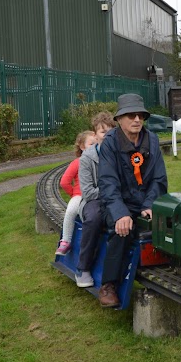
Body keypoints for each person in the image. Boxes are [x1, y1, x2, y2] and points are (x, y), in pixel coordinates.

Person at [96, 94, 168, 307]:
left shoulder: (152, 140)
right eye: (130, 115)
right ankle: (108, 285)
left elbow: (159, 178)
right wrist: (120, 213)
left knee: (170, 224)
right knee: (122, 231)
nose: (137, 119)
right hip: (117, 202)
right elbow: (108, 182)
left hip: (145, 201)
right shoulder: (109, 143)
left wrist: (149, 205)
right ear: (119, 119)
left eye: (140, 115)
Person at [74, 112, 116, 287]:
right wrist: (110, 191)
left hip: (116, 198)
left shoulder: (120, 154)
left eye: (110, 132)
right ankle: (83, 268)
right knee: (94, 218)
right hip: (95, 200)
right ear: (95, 134)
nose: (107, 136)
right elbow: (88, 192)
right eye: (102, 132)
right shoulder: (87, 159)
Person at [55, 130, 96, 256]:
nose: (94, 147)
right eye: (91, 144)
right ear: (82, 147)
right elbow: (64, 182)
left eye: (96, 143)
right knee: (71, 210)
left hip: (94, 194)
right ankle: (66, 240)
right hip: (80, 194)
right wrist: (74, 194)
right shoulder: (77, 162)